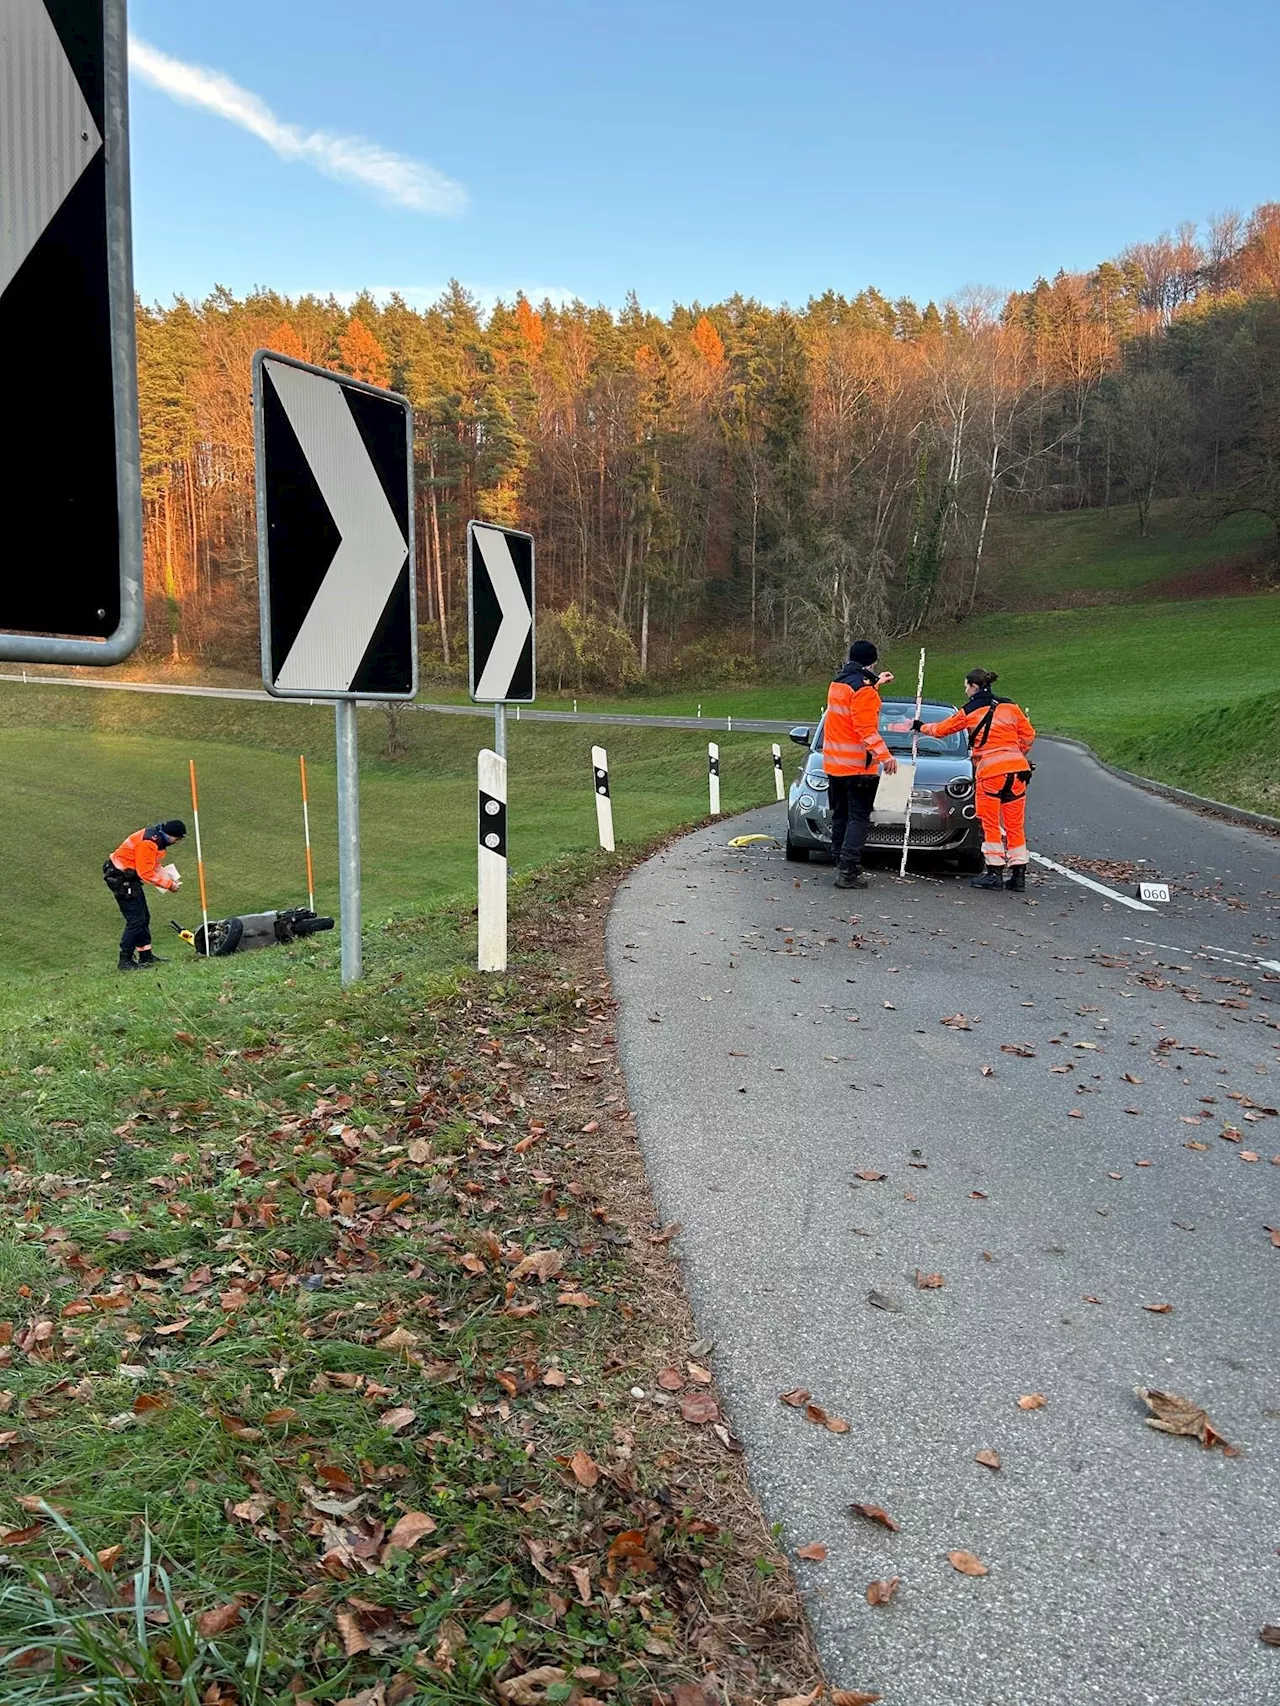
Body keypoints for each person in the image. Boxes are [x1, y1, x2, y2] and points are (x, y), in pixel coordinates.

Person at [901, 669, 1035, 890]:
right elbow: (1028, 735)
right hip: (1018, 771)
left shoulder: (971, 710)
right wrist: (1017, 754)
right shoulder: (1011, 707)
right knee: (1015, 824)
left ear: (973, 687)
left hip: (991, 772)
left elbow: (942, 729)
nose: (965, 691)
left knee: (990, 823)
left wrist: (920, 726)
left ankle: (994, 873)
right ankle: (1018, 875)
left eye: (966, 686)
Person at [822, 639, 898, 889]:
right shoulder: (865, 690)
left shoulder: (838, 683)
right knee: (858, 817)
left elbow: (853, 698)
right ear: (872, 662)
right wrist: (885, 756)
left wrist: (876, 682)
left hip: (834, 765)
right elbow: (865, 729)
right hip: (857, 767)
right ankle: (849, 870)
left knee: (841, 815)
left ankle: (839, 860)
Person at [104, 820, 186, 970]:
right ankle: (125, 960)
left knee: (143, 917)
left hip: (129, 878)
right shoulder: (149, 843)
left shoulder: (157, 840)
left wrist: (168, 878)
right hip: (121, 878)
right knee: (136, 920)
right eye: (177, 839)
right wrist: (168, 885)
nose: (176, 842)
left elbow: (153, 865)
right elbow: (145, 872)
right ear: (171, 835)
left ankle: (145, 956)